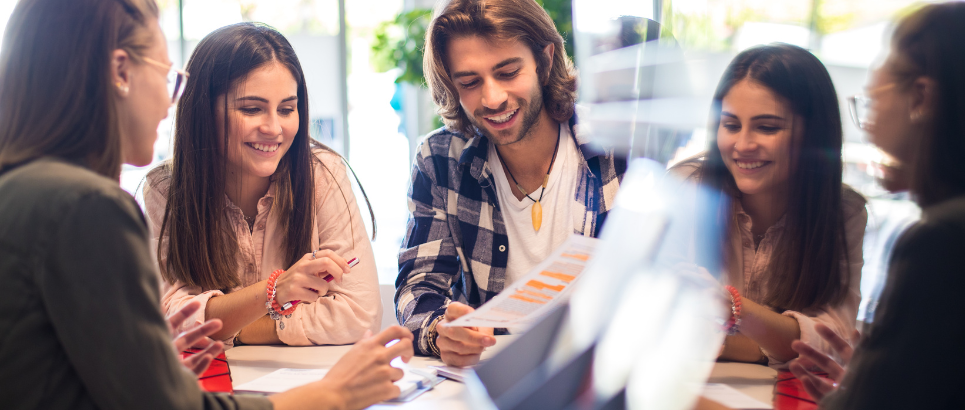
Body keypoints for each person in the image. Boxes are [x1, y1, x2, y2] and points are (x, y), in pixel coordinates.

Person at [0, 0, 411, 409]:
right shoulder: (88, 207)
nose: (168, 104)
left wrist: (224, 327)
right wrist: (330, 395)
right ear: (121, 72)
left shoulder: (22, 189)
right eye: (167, 79)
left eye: (287, 108)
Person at [395, 0, 626, 367]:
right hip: (492, 376)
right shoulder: (440, 159)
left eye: (507, 72)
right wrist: (443, 332)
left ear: (545, 61)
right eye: (470, 82)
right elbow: (417, 287)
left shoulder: (615, 147)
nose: (492, 98)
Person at [144, 23, 381, 346]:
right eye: (252, 109)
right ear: (203, 112)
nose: (274, 128)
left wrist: (234, 327)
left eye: (286, 109)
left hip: (303, 385)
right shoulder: (163, 189)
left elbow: (359, 313)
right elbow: (174, 320)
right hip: (215, 389)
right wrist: (276, 290)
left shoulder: (323, 174)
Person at [789, 3, 965, 409]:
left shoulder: (941, 240)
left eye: (869, 102)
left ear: (921, 98)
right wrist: (875, 378)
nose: (866, 126)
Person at [672, 44, 867, 367]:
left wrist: (733, 309)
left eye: (767, 127)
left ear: (813, 136)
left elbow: (833, 337)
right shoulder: (685, 188)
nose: (744, 145)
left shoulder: (844, 212)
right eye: (731, 125)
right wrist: (768, 344)